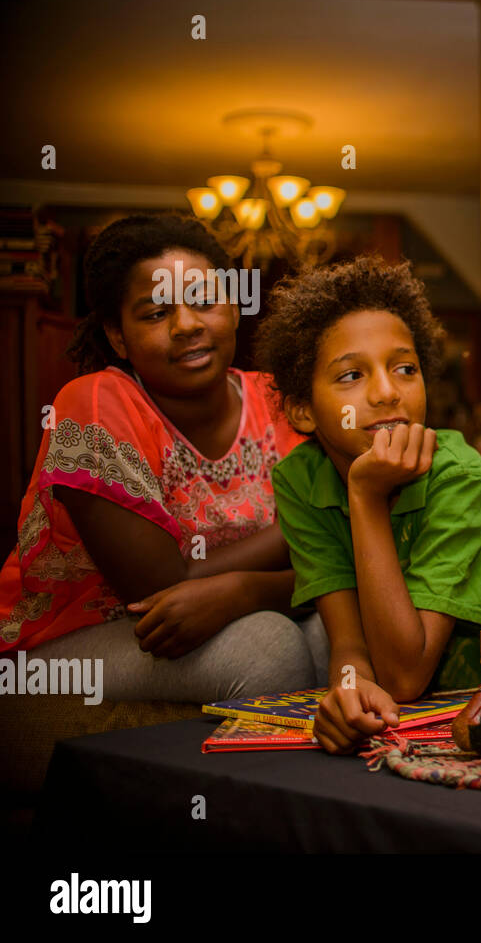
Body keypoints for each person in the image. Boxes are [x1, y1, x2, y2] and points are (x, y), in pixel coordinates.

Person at [0, 214, 323, 700]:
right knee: (268, 649)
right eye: (155, 314)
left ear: (233, 308)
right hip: (66, 645)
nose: (187, 325)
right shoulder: (92, 404)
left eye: (204, 302)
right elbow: (160, 591)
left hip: (235, 611)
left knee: (331, 632)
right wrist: (308, 525)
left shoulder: (282, 399)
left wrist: (246, 591)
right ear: (117, 335)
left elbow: (340, 556)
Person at [257, 256, 481, 754]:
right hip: (408, 708)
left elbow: (405, 674)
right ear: (303, 410)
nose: (388, 392)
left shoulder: (458, 474)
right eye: (351, 376)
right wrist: (349, 685)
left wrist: (365, 496)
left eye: (405, 369)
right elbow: (346, 639)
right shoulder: (300, 481)